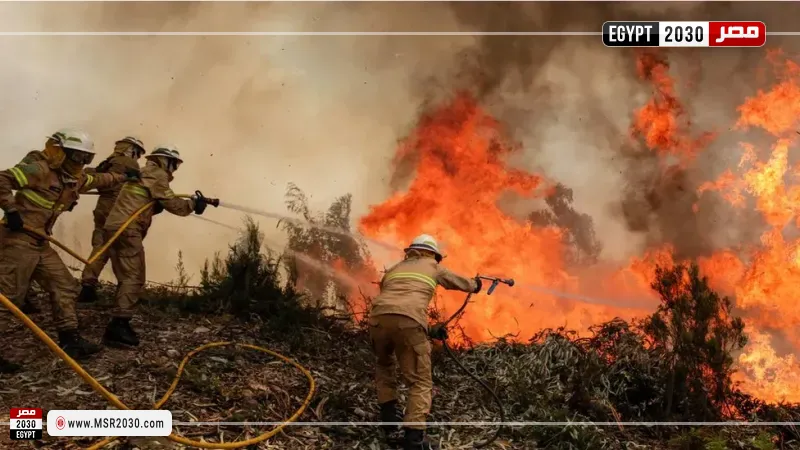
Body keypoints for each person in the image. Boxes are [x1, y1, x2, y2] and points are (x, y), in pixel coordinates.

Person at [0, 129, 139, 373]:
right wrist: (11, 211)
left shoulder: (73, 179)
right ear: (61, 152)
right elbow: (2, 179)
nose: (81, 163)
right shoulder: (40, 170)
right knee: (8, 298)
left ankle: (70, 341)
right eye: (77, 156)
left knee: (65, 286)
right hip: (17, 241)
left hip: (41, 244)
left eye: (86, 158)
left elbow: (98, 180)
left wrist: (122, 176)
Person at [368, 234, 482, 450]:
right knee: (419, 382)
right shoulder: (433, 266)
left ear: (411, 251)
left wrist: (429, 330)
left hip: (377, 320)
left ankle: (390, 422)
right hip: (408, 322)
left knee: (384, 366)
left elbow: (395, 310)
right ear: (433, 253)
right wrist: (475, 284)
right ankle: (414, 440)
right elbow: (459, 282)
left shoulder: (393, 269)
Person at [101, 145, 212, 348]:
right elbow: (173, 204)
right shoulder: (156, 173)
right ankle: (118, 326)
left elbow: (145, 202)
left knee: (126, 277)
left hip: (116, 227)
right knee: (134, 277)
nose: (173, 170)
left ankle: (119, 319)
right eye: (173, 164)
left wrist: (156, 206)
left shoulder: (145, 173)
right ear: (164, 160)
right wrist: (193, 205)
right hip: (127, 230)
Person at [77, 136, 145, 304]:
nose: (138, 157)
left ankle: (88, 286)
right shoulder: (129, 163)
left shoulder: (108, 162)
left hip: (102, 207)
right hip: (118, 209)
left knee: (100, 247)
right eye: (138, 153)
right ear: (132, 149)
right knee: (126, 249)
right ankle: (127, 292)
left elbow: (92, 177)